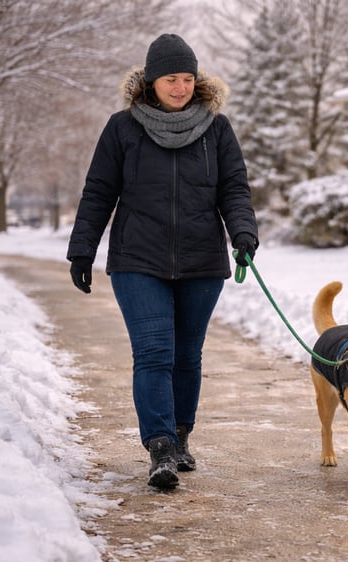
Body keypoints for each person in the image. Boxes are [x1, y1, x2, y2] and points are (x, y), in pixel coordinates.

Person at [66, 33, 258, 490]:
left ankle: (182, 435)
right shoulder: (122, 127)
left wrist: (244, 232)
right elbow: (98, 192)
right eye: (171, 78)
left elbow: (234, 188)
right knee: (154, 352)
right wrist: (82, 248)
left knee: (187, 355)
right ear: (152, 81)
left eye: (188, 78)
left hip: (201, 260)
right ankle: (160, 446)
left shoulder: (217, 128)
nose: (180, 87)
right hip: (138, 259)